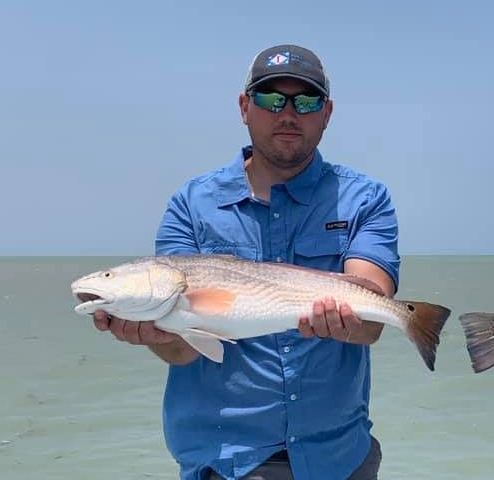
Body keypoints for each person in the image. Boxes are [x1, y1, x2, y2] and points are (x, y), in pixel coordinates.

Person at [90, 44, 398, 480]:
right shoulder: (190, 205)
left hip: (339, 458)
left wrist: (354, 318)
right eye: (271, 99)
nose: (287, 113)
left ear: (326, 112)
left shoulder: (365, 198)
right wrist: (155, 333)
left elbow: (371, 322)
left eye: (305, 101)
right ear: (244, 107)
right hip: (226, 460)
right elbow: (182, 352)